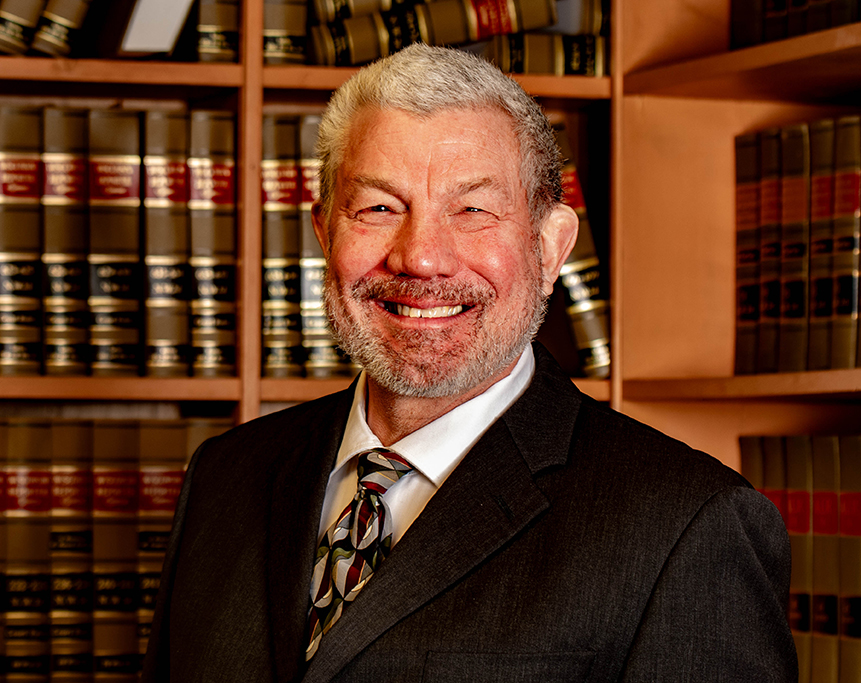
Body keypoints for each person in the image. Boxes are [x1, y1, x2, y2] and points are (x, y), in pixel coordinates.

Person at [142, 43, 797, 682]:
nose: (421, 257)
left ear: (549, 248)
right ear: (324, 233)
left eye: (473, 209)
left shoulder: (687, 525)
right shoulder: (224, 477)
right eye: (377, 207)